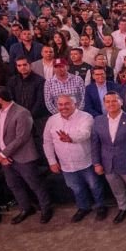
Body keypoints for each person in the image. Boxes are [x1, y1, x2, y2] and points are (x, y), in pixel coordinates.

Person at [0, 87, 53, 225]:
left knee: (35, 185)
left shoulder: (22, 112)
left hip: (24, 157)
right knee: (13, 185)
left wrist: (3, 154)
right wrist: (0, 154)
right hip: (4, 159)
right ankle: (25, 208)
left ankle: (46, 208)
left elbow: (21, 138)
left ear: (0, 99)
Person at [43, 94, 106, 223]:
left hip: (86, 161)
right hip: (66, 164)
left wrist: (70, 138)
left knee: (95, 186)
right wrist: (52, 161)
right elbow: (47, 142)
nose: (63, 107)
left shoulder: (86, 117)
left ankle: (101, 207)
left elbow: (85, 133)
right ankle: (83, 208)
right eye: (60, 104)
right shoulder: (52, 120)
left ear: (75, 104)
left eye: (67, 104)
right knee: (76, 188)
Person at [91, 91, 126, 224]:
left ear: (121, 102)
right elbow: (95, 144)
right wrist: (96, 163)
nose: (111, 104)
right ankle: (123, 208)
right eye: (108, 101)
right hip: (108, 163)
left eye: (114, 101)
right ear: (104, 104)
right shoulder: (98, 121)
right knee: (117, 189)